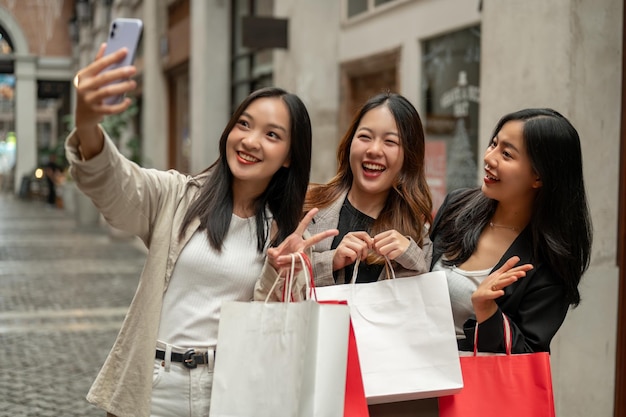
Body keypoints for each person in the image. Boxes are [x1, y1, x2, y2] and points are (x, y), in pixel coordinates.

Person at [68, 44, 335, 417]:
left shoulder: (285, 231)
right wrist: (86, 124)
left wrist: (280, 271)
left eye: (272, 135)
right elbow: (116, 183)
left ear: (290, 155)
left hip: (230, 389)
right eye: (244, 124)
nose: (250, 141)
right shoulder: (176, 196)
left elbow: (276, 334)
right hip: (158, 385)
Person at [430, 108, 593, 353]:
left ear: (538, 176)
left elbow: (529, 354)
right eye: (493, 144)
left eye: (506, 154)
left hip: (477, 386)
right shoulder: (457, 206)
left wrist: (488, 313)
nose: (489, 158)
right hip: (414, 376)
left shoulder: (549, 261)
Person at [304, 92, 433, 286]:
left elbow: (422, 301)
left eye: (390, 141)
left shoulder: (418, 237)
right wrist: (330, 261)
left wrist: (410, 256)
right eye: (365, 137)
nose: (373, 150)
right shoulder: (308, 205)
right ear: (349, 144)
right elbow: (275, 279)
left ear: (408, 157)